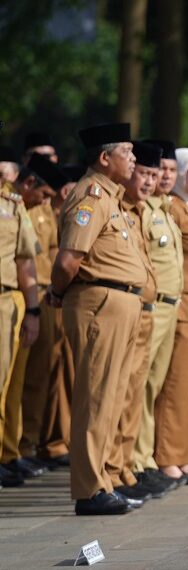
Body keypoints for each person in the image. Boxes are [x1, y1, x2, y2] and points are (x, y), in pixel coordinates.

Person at [47, 123, 148, 515]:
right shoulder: (91, 196)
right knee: (95, 396)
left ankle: (102, 481)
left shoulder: (111, 197)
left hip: (118, 303)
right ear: (105, 158)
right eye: (127, 151)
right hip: (98, 303)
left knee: (111, 397)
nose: (134, 158)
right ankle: (89, 489)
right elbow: (69, 259)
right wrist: (57, 291)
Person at [108, 142, 174, 501]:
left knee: (139, 390)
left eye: (154, 174)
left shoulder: (143, 209)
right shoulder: (122, 208)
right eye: (144, 173)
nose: (150, 181)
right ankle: (124, 464)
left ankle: (133, 463)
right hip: (131, 307)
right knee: (127, 391)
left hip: (151, 308)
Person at [153, 147, 188, 485]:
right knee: (175, 385)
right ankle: (168, 455)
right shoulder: (173, 208)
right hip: (183, 306)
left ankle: (183, 452)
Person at [131, 139, 185, 490]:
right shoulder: (141, 211)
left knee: (154, 385)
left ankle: (144, 457)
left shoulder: (164, 208)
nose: (157, 179)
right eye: (151, 172)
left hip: (170, 305)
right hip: (151, 305)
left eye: (164, 171)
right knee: (140, 386)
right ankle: (137, 460)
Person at [17, 154, 73, 472]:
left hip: (42, 298)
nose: (44, 200)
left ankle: (27, 444)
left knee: (41, 375)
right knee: (22, 377)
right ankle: (19, 446)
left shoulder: (38, 211)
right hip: (27, 295)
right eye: (43, 193)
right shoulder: (22, 210)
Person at [0, 164, 40, 489]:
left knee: (6, 384)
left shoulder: (12, 205)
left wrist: (33, 309)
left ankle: (6, 454)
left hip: (5, 300)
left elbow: (25, 260)